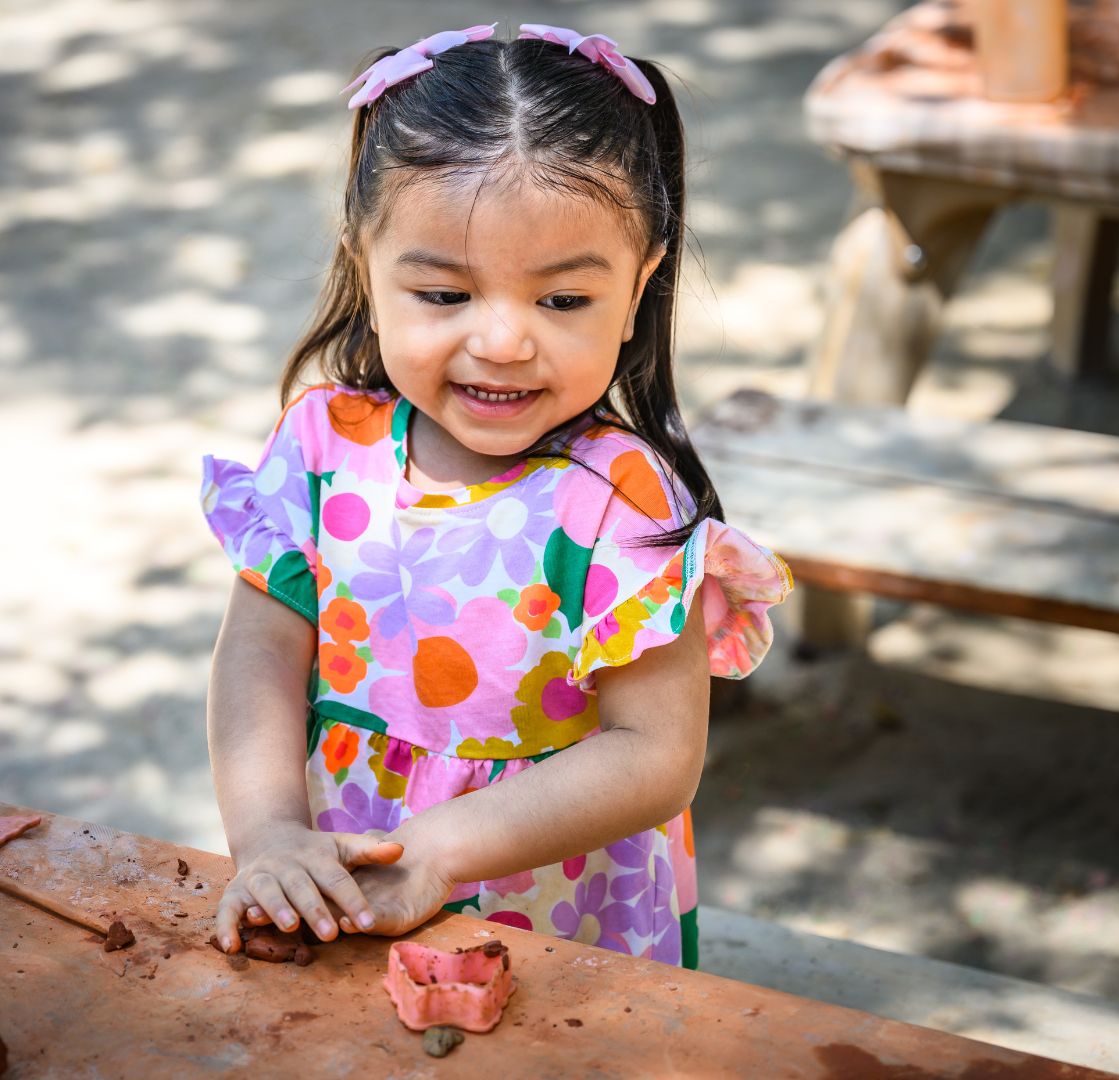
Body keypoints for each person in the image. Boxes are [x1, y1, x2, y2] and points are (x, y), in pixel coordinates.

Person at [199, 23, 792, 970]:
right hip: (341, 896)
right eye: (444, 294)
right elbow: (258, 660)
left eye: (562, 302)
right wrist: (269, 834)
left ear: (639, 283)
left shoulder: (621, 502)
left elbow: (653, 754)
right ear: (364, 259)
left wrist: (437, 854)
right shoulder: (319, 451)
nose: (505, 341)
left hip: (565, 930)